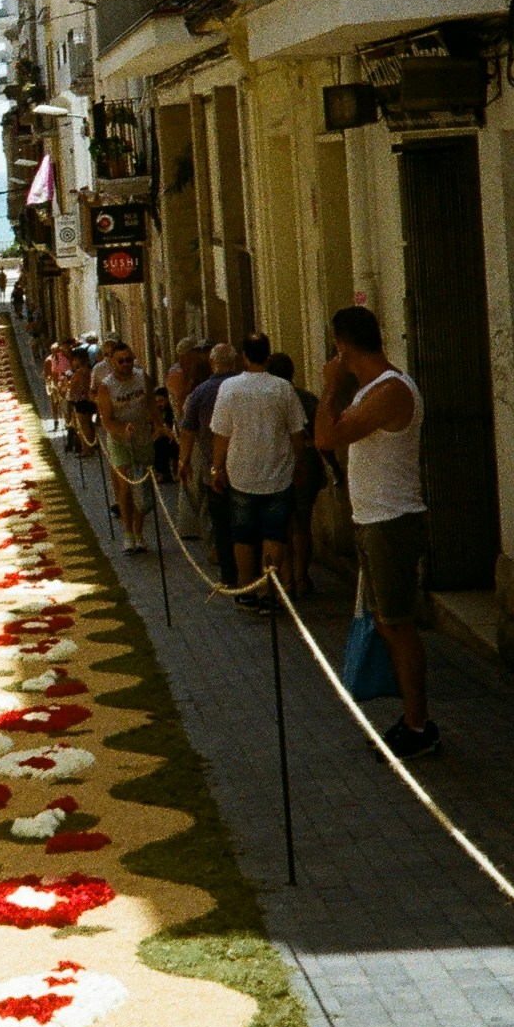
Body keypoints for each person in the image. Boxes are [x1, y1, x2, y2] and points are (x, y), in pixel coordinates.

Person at [316, 304, 438, 756]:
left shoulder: (388, 391)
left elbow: (326, 438)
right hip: (372, 519)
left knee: (397, 624)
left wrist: (330, 386)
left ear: (343, 346)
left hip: (392, 520)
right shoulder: (370, 390)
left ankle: (419, 723)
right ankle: (410, 714)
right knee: (386, 625)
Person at [209, 331, 304, 601]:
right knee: (274, 533)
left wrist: (217, 467)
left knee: (243, 534)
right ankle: (267, 591)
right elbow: (297, 432)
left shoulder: (229, 388)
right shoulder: (283, 388)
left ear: (244, 356)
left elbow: (220, 433)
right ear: (268, 353)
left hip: (241, 473)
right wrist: (299, 463)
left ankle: (247, 587)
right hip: (278, 472)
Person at [178, 343, 241, 585]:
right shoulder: (245, 387)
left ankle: (229, 575)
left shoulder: (201, 392)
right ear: (235, 362)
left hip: (214, 470)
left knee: (222, 525)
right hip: (248, 468)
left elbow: (188, 430)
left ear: (214, 364)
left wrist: (183, 461)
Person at [91, 338, 157, 552]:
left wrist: (159, 425)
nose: (126, 364)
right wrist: (122, 429)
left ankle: (139, 532)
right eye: (121, 361)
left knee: (142, 486)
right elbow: (106, 420)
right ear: (113, 363)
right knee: (126, 486)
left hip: (143, 438)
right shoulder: (106, 386)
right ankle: (128, 532)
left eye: (129, 360)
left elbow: (150, 405)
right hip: (119, 441)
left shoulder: (142, 378)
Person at [269, 350, 325, 595]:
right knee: (303, 523)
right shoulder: (307, 398)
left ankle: (287, 579)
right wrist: (332, 467)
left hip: (279, 462)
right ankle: (302, 578)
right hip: (307, 460)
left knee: (283, 525)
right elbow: (321, 435)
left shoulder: (269, 401)